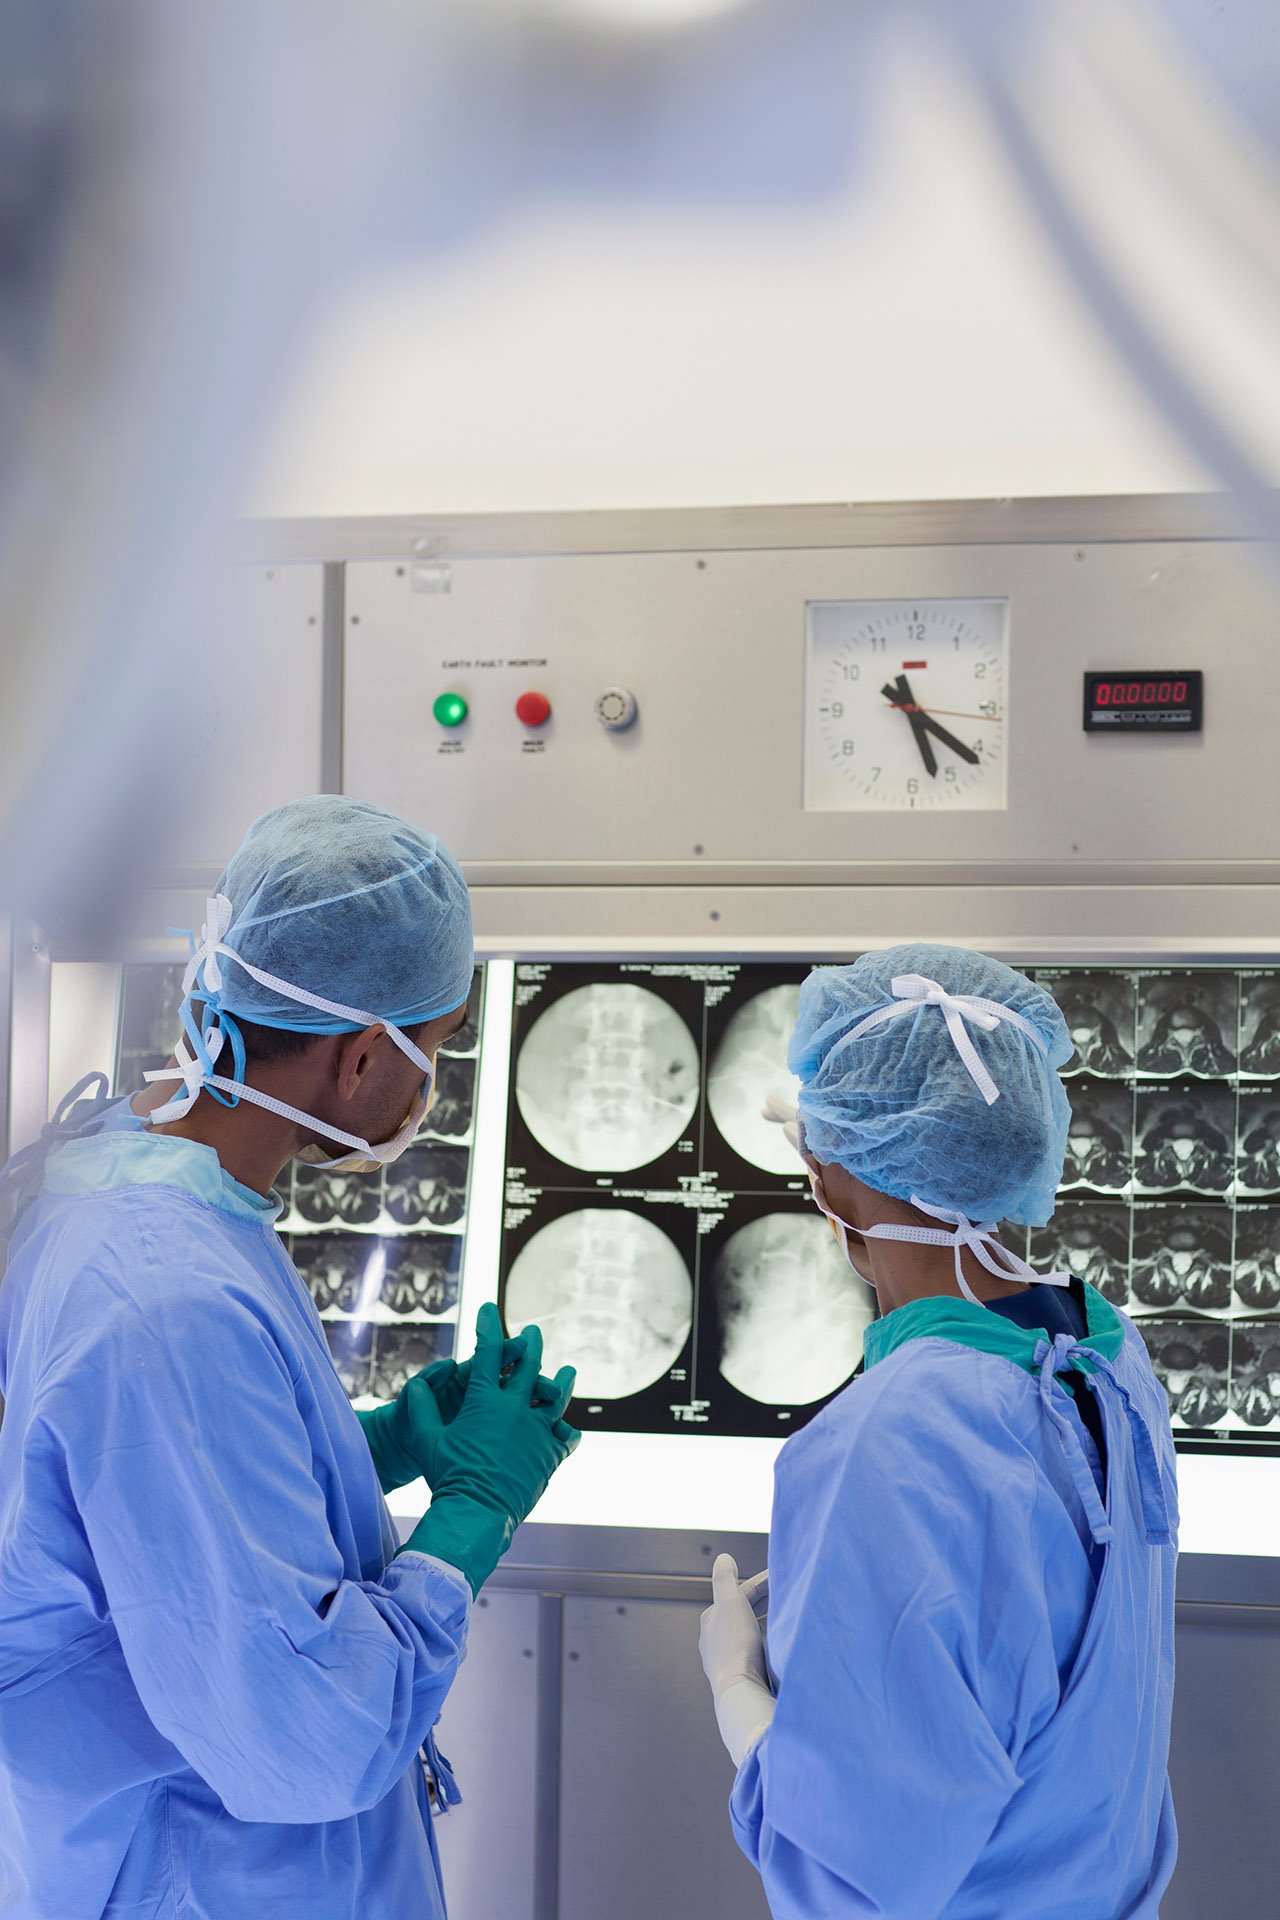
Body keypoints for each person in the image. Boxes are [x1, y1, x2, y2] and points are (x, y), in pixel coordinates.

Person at [0, 795, 580, 1920]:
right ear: (360, 1059)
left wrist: (376, 1448)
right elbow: (308, 1737)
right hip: (205, 1876)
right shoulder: (168, 1298)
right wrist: (473, 1515)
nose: (431, 1084)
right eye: (436, 1047)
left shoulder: (121, 1178)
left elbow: (137, 1503)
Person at [699, 944, 1178, 1919]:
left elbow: (854, 1876)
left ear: (829, 1175)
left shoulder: (884, 1441)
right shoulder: (1108, 1354)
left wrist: (739, 1696)